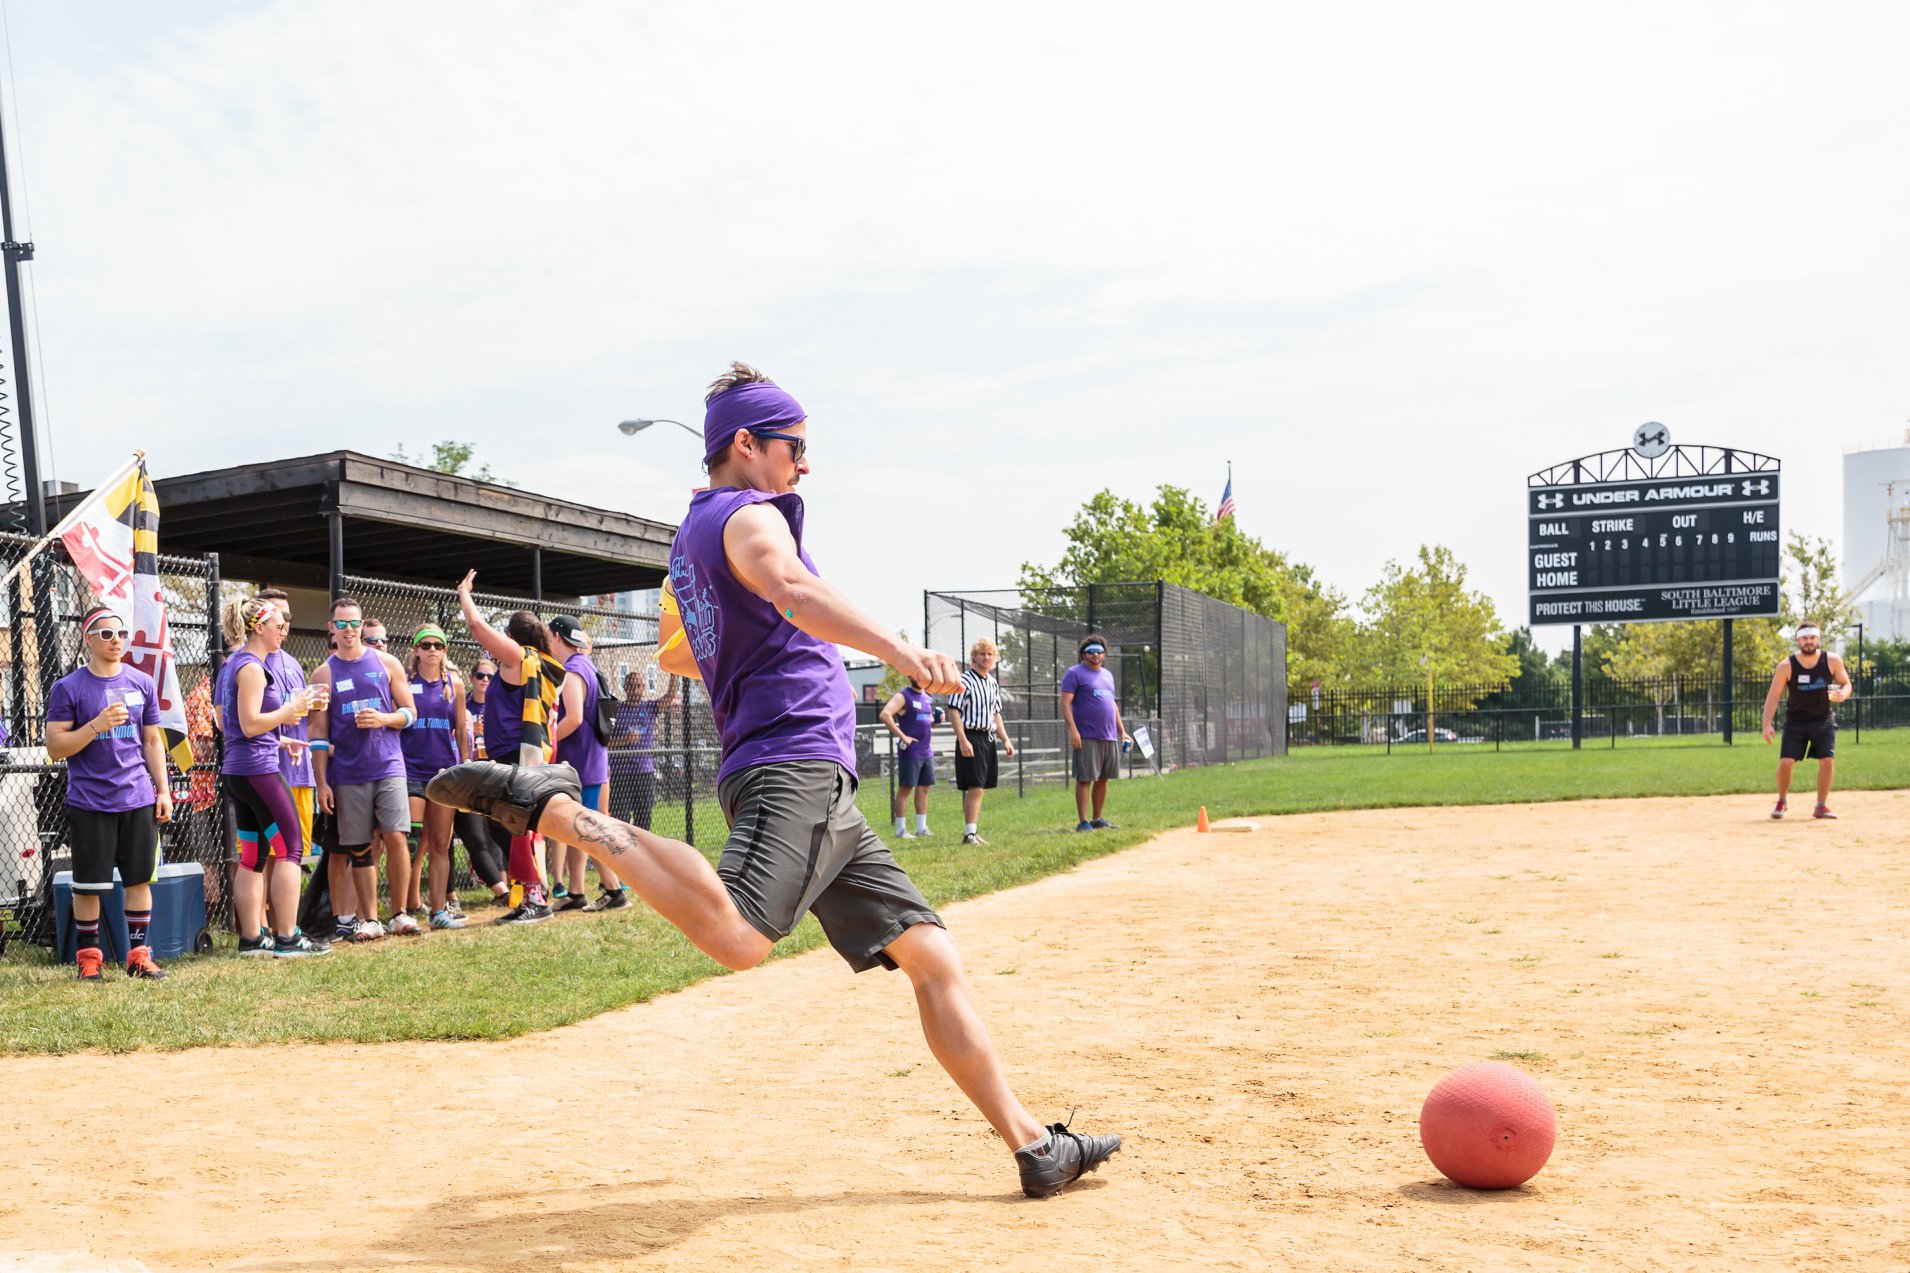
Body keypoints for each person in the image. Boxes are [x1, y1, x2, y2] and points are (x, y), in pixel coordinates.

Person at [427, 362, 1119, 1197]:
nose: (804, 464)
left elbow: (687, 647)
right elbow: (789, 586)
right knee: (739, 936)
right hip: (791, 759)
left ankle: (1035, 1144)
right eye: (794, 446)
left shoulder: (695, 534)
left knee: (932, 956)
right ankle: (564, 812)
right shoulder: (748, 515)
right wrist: (897, 651)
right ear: (746, 445)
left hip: (810, 773)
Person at [44, 606, 174, 980]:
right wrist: (95, 726)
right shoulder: (68, 687)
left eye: (121, 634)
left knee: (138, 881)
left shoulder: (141, 681)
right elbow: (56, 746)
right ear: (88, 638)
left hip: (138, 799)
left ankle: (138, 956)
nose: (116, 640)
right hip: (90, 802)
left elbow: (151, 741)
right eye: (106, 634)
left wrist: (162, 791)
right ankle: (89, 959)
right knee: (89, 886)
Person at [215, 596, 328, 957]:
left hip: (243, 769)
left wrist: (282, 741)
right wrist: (290, 710)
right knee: (291, 849)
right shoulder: (250, 667)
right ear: (259, 627)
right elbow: (249, 724)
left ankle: (251, 938)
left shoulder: (239, 663)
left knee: (253, 855)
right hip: (257, 772)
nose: (284, 631)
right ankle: (288, 936)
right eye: (278, 624)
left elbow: (239, 726)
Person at [456, 572, 567, 924]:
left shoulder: (521, 658)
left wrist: (464, 593)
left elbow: (475, 624)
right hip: (525, 755)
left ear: (512, 637)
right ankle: (528, 897)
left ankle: (535, 900)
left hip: (518, 755)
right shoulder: (545, 662)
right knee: (514, 828)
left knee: (518, 829)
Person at [308, 596, 421, 940]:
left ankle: (400, 914)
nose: (348, 630)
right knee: (358, 847)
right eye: (341, 624)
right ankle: (369, 920)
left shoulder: (387, 663)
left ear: (361, 625)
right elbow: (317, 735)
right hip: (347, 774)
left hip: (388, 765)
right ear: (331, 628)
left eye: (353, 623)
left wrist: (384, 719)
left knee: (397, 836)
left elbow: (410, 712)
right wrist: (322, 783)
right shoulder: (322, 673)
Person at [547, 615, 627, 912]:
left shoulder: (573, 669)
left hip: (582, 763)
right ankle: (576, 891)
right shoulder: (586, 664)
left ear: (557, 636)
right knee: (582, 827)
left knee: (590, 829)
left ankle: (615, 889)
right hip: (592, 760)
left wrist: (548, 740)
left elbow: (574, 718)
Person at [399, 624, 471, 928]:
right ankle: (400, 911)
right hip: (410, 770)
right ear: (415, 650)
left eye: (437, 646)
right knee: (411, 840)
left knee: (441, 843)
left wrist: (466, 767)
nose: (431, 650)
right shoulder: (403, 681)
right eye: (425, 645)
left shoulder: (454, 684)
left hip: (444, 772)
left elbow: (461, 732)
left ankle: (439, 911)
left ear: (444, 650)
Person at [1761, 620, 1854, 819]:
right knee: (1786, 762)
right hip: (1796, 722)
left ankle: (1820, 806)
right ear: (1798, 640)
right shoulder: (1786, 666)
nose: (1809, 642)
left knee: (1827, 761)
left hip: (1823, 720)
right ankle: (1782, 801)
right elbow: (1773, 696)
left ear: (1818, 639)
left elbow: (1846, 684)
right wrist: (1766, 724)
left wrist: (1843, 694)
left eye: (1812, 638)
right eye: (1805, 638)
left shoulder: (1832, 661)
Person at [1061, 633, 1132, 833]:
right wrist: (1073, 730)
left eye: (1099, 652)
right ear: (1083, 654)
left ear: (1105, 654)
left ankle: (1097, 818)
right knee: (1085, 778)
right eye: (1091, 652)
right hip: (1086, 735)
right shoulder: (1074, 673)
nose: (1095, 655)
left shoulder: (1108, 675)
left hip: (1108, 735)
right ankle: (1083, 822)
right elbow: (1065, 703)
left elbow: (1113, 706)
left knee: (1103, 778)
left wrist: (1123, 733)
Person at [949, 638, 1015, 847]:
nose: (986, 658)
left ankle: (974, 831)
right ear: (974, 657)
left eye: (990, 654)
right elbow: (954, 711)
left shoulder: (992, 682)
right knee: (975, 786)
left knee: (981, 787)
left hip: (988, 737)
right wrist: (963, 739)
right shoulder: (964, 680)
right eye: (982, 654)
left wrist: (1005, 739)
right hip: (971, 735)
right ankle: (969, 833)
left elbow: (996, 714)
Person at [457, 656, 512, 906]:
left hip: (496, 771)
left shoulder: (498, 703)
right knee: (481, 834)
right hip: (472, 775)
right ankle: (500, 889)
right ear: (472, 678)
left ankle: (512, 886)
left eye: (490, 677)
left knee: (502, 830)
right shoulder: (464, 704)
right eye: (480, 676)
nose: (485, 681)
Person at [609, 665, 677, 847]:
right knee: (620, 818)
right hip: (620, 774)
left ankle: (641, 854)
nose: (634, 689)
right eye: (631, 686)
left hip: (644, 772)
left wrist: (674, 671)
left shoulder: (650, 708)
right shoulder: (616, 710)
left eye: (638, 685)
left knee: (643, 818)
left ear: (643, 687)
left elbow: (669, 697)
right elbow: (605, 742)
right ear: (625, 688)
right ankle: (621, 853)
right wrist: (624, 741)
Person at [878, 676, 939, 838]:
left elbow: (925, 721)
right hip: (910, 751)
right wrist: (903, 736)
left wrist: (936, 722)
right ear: (909, 675)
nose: (918, 677)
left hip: (926, 751)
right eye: (915, 674)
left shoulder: (927, 697)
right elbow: (885, 715)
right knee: (906, 788)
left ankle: (922, 828)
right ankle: (901, 830)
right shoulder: (903, 696)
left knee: (924, 788)